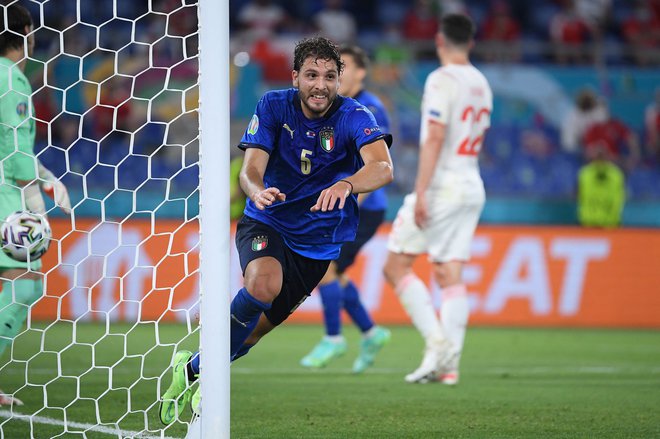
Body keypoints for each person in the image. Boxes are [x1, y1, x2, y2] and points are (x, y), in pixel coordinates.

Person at [159, 36, 393, 423]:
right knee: (262, 285)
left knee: (252, 334)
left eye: (330, 76)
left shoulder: (355, 114)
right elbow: (251, 169)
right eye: (312, 75)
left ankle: (192, 369)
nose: (321, 84)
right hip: (268, 219)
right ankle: (213, 383)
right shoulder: (273, 105)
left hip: (317, 243)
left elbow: (383, 167)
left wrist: (346, 184)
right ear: (295, 77)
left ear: (339, 80)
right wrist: (257, 190)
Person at [382, 13, 492, 385]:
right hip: (471, 184)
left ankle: (437, 347)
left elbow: (435, 136)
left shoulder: (441, 79)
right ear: (471, 43)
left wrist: (423, 189)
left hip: (443, 185)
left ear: (440, 42)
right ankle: (450, 366)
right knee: (449, 273)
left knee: (395, 267)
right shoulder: (481, 82)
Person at [299, 45, 391, 374]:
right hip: (339, 202)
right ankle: (371, 331)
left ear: (361, 72)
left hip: (362, 206)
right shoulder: (334, 107)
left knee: (326, 270)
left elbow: (375, 167)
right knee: (333, 273)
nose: (339, 73)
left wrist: (347, 209)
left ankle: (334, 338)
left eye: (344, 67)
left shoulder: (369, 108)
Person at [0, 4, 71, 406]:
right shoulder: (12, 77)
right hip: (5, 194)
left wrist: (48, 178)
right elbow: (14, 151)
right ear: (27, 32)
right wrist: (33, 198)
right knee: (25, 283)